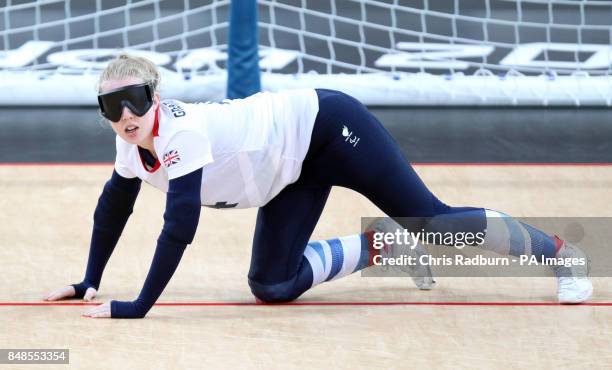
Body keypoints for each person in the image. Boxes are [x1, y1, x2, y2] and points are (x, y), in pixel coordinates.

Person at [44, 54, 592, 318]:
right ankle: (386, 246)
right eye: (110, 108)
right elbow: (113, 206)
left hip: (327, 129)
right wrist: (90, 279)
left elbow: (180, 226)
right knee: (273, 286)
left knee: (431, 220)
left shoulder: (177, 133)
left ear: (155, 99)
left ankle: (562, 253)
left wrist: (138, 306)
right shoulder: (128, 140)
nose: (125, 115)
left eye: (134, 100)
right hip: (287, 173)